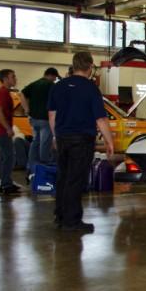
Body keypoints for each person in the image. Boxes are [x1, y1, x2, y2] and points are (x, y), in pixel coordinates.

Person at [48, 52, 114, 233]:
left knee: (63, 177)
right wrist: (109, 142)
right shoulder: (91, 88)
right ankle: (72, 221)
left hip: (62, 138)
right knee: (76, 180)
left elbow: (52, 115)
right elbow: (100, 119)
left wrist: (55, 136)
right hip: (82, 139)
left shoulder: (58, 87)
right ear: (90, 67)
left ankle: (60, 215)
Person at [22, 67, 59, 177]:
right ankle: (44, 167)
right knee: (45, 144)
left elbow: (22, 94)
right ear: (52, 75)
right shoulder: (51, 85)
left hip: (34, 119)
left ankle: (31, 166)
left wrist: (26, 109)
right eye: (54, 78)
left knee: (35, 142)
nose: (54, 80)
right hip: (45, 119)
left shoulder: (34, 84)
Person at [0, 69, 22, 195]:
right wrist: (8, 128)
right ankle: (5, 185)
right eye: (12, 77)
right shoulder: (2, 93)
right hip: (1, 131)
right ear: (5, 79)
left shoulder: (5, 93)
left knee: (6, 157)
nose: (15, 79)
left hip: (1, 130)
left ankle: (6, 182)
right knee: (8, 157)